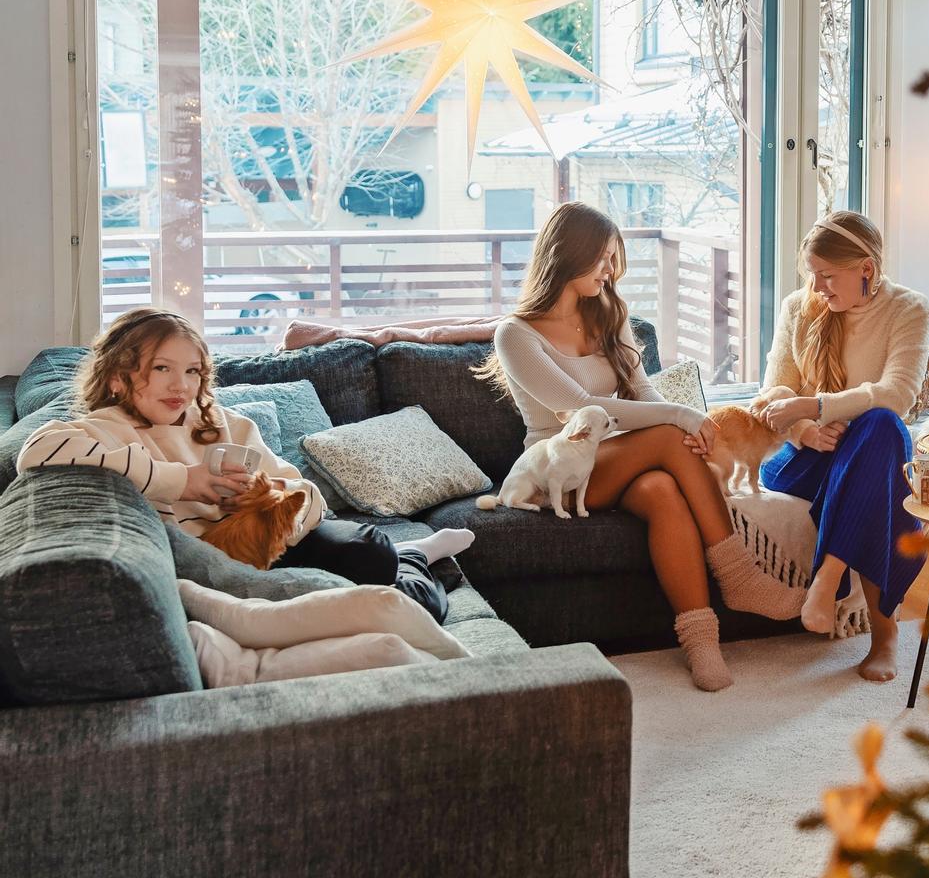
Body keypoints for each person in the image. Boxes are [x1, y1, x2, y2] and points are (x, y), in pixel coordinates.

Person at [479, 202, 803, 691]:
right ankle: (741, 576)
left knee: (661, 491)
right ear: (569, 254)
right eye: (603, 258)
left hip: (618, 458)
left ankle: (701, 643)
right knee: (672, 435)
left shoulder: (608, 312)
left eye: (614, 258)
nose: (611, 270)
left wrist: (677, 415)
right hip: (559, 472)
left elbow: (643, 391)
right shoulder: (516, 334)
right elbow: (579, 408)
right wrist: (681, 415)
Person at [16, 308, 470, 621]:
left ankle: (404, 556)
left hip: (274, 545)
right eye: (161, 368)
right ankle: (415, 562)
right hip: (216, 563)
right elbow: (34, 454)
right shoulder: (103, 429)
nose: (180, 385)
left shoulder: (221, 423)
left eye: (192, 371)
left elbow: (307, 497)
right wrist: (183, 481)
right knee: (408, 601)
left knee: (367, 546)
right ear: (117, 375)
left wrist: (266, 504)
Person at [755, 211, 929, 684]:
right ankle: (885, 634)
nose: (819, 289)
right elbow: (772, 395)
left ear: (867, 269)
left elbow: (899, 394)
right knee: (881, 454)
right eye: (813, 276)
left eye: (828, 277)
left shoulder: (909, 309)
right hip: (801, 460)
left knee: (882, 429)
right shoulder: (800, 308)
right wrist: (805, 431)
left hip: (864, 452)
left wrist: (817, 406)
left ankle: (827, 577)